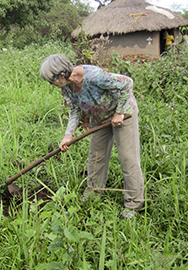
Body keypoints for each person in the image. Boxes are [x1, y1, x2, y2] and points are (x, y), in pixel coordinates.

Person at [39, 54, 144, 219]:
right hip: (99, 118)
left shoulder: (93, 76)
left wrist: (119, 113)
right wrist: (68, 135)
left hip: (123, 114)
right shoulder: (66, 86)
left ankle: (133, 205)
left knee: (128, 158)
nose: (50, 84)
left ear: (60, 76)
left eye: (51, 80)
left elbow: (127, 83)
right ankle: (93, 196)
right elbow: (74, 110)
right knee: (96, 157)